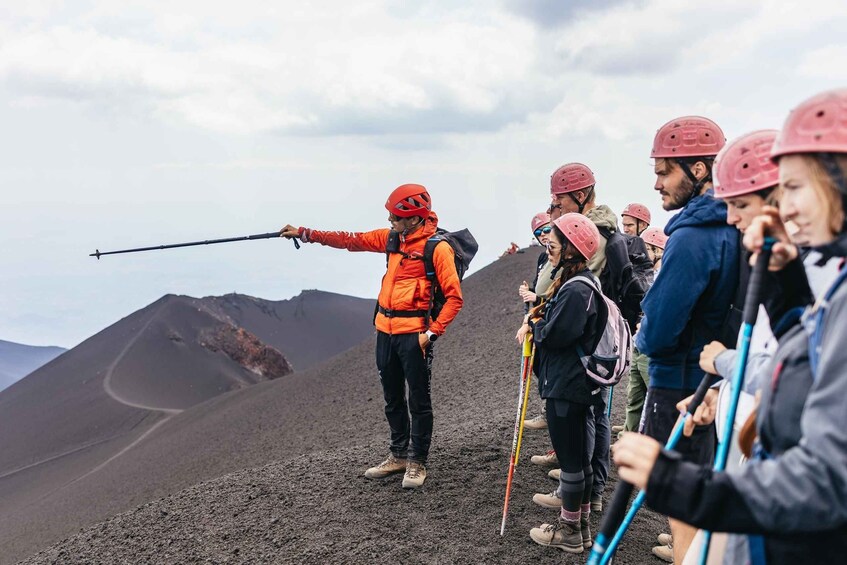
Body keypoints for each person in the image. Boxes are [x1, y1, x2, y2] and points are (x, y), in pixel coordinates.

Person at [614, 88, 847, 565]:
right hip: (745, 437)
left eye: (796, 188)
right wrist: (786, 293)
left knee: (694, 533)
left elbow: (826, 480)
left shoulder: (693, 240)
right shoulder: (827, 276)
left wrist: (677, 482)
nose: (786, 209)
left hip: (789, 521)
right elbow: (807, 363)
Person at [280, 184, 462, 489]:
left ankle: (417, 462)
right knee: (392, 398)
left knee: (418, 399)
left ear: (414, 218)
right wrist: (305, 233)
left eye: (395, 216)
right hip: (385, 331)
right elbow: (352, 240)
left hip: (414, 335)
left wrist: (431, 334)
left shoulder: (437, 248)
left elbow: (455, 298)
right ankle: (399, 455)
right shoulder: (393, 238)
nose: (389, 219)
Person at [635, 116, 740, 563]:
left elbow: (658, 329)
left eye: (664, 171)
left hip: (681, 384)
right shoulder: (733, 225)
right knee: (703, 494)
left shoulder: (693, 237)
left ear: (698, 170)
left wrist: (646, 333)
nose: (656, 182)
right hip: (715, 379)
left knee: (683, 507)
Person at [539, 162, 619, 512]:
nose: (554, 207)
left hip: (582, 358)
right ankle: (584, 494)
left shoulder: (592, 244)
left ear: (581, 195)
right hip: (589, 352)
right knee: (591, 419)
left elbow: (561, 321)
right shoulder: (597, 238)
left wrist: (539, 327)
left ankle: (584, 497)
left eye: (559, 201)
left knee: (592, 419)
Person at [526, 213, 606, 554]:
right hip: (579, 383)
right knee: (580, 462)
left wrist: (537, 327)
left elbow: (558, 335)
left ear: (572, 250)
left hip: (565, 384)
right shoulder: (586, 285)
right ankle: (582, 528)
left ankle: (568, 532)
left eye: (555, 244)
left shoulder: (575, 291)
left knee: (571, 464)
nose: (550, 249)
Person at [517, 212, 555, 431]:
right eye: (538, 233)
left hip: (553, 319)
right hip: (540, 319)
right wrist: (529, 292)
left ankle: (548, 413)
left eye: (547, 230)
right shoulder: (543, 258)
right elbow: (539, 288)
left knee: (550, 368)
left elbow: (561, 290)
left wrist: (537, 298)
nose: (543, 235)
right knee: (540, 367)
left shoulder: (558, 257)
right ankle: (546, 411)